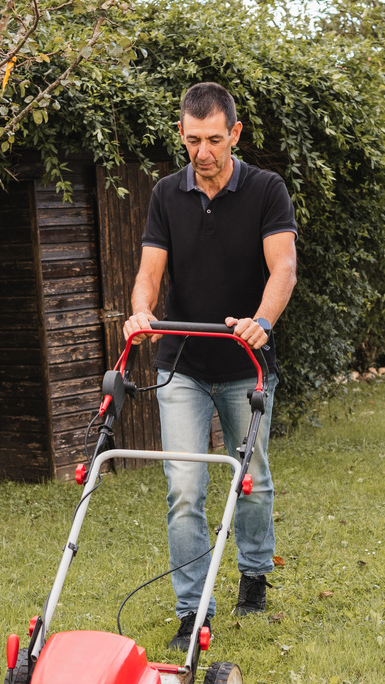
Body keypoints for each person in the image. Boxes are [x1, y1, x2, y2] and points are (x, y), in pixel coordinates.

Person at [122, 82, 298, 650]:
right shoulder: (167, 195)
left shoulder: (267, 190)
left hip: (247, 361)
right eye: (193, 139)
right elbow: (149, 272)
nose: (203, 152)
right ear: (182, 134)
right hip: (184, 364)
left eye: (215, 140)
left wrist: (262, 321)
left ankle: (253, 570)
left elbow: (284, 269)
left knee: (250, 479)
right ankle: (192, 611)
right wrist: (141, 312)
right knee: (185, 486)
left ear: (235, 135)